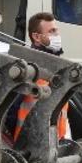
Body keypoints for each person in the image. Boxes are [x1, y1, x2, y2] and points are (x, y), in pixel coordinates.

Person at [12, 12, 71, 142]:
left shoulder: (56, 68)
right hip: (28, 147)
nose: (57, 36)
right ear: (37, 37)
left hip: (53, 146)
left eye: (56, 31)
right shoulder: (28, 70)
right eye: (52, 31)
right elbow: (11, 111)